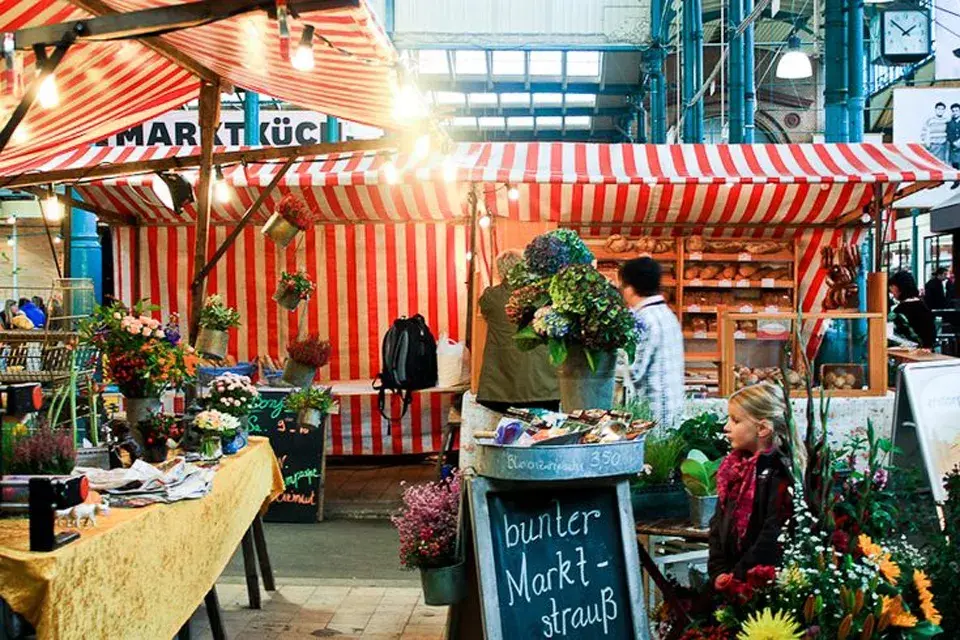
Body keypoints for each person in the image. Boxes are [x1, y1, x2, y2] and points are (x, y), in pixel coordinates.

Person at [708, 382, 800, 582]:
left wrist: (738, 576)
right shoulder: (733, 470)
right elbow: (717, 525)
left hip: (762, 582)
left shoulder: (780, 473)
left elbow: (772, 534)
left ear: (762, 428)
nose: (726, 427)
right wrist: (718, 572)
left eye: (735, 420)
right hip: (731, 579)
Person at [476, 250, 560, 414]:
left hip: (505, 388)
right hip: (544, 383)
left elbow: (484, 312)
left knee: (513, 434)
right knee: (545, 434)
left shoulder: (491, 297)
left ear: (500, 271)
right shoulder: (544, 295)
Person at [619, 257, 684, 428]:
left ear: (630, 288)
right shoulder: (667, 314)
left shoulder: (643, 319)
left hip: (653, 416)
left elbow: (634, 370)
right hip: (672, 409)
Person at [889, 271, 936, 349]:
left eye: (892, 288)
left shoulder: (901, 309)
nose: (892, 292)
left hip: (910, 352)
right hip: (927, 351)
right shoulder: (923, 306)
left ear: (899, 287)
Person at [947, 103, 960, 189]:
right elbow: (949, 134)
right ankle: (957, 181)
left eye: (957, 110)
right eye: (953, 111)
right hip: (954, 147)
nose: (955, 112)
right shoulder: (950, 123)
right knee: (955, 165)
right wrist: (953, 142)